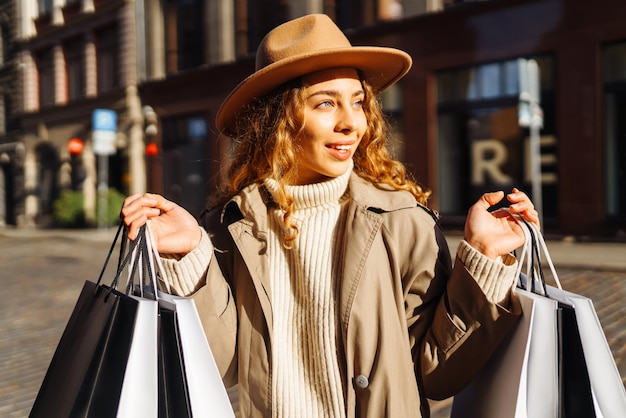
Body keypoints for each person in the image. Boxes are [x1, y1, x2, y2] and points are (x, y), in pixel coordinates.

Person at [121, 13, 539, 418]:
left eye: (357, 102)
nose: (350, 123)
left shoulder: (403, 223)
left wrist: (483, 256)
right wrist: (190, 254)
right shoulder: (232, 226)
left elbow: (437, 374)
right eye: (325, 103)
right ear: (278, 119)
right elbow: (222, 365)